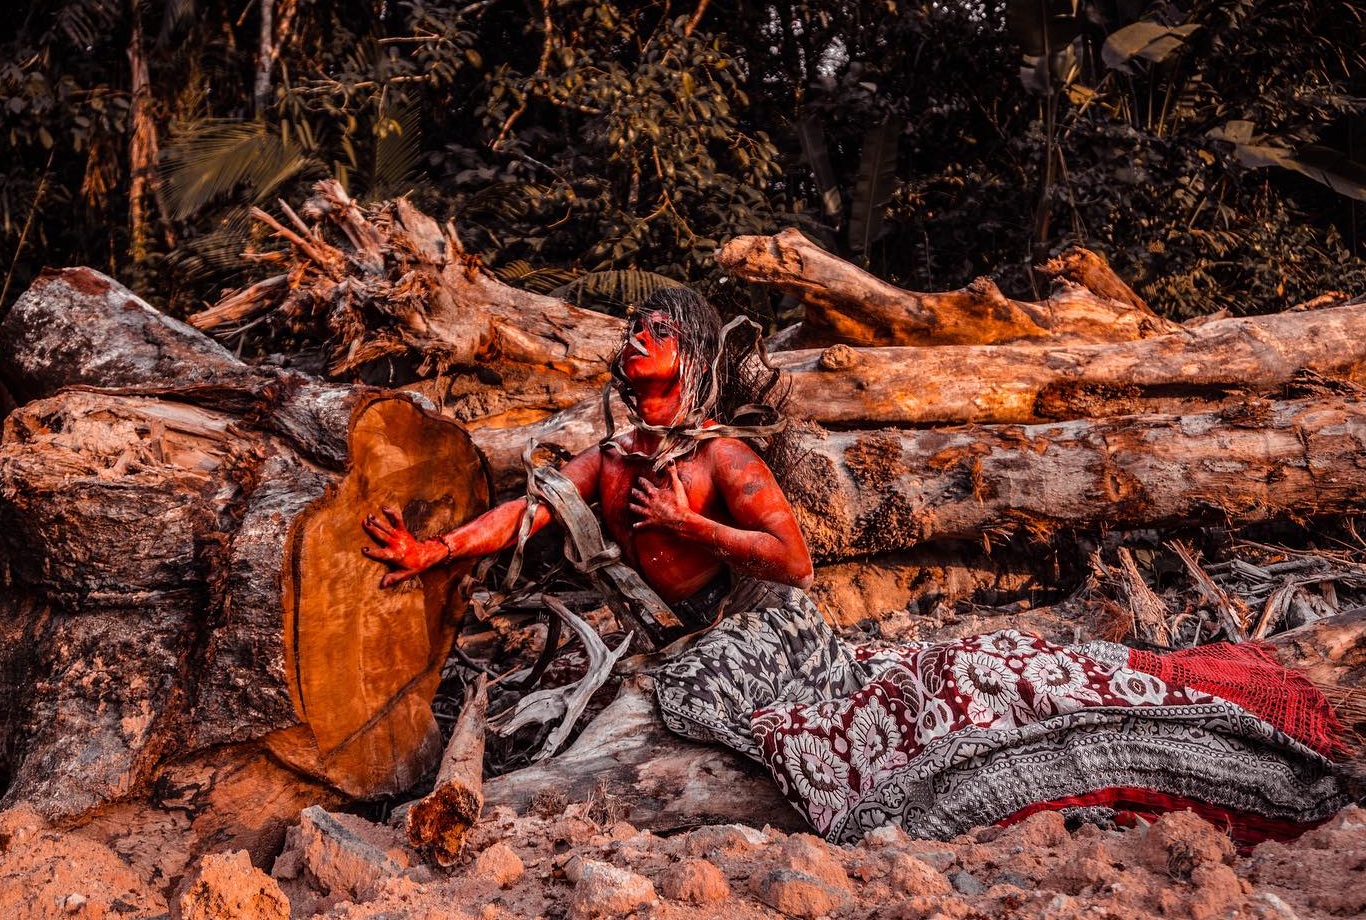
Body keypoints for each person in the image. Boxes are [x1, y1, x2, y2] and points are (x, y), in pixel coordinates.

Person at [363, 288, 1352, 847]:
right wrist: (433, 550)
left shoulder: (721, 458)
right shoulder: (611, 459)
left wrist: (698, 530)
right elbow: (530, 510)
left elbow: (791, 559)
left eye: (655, 338)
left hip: (767, 636)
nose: (635, 349)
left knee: (964, 679)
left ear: (690, 361)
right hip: (683, 653)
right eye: (633, 340)